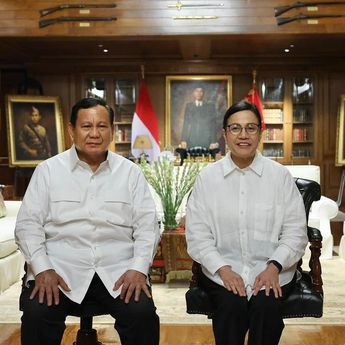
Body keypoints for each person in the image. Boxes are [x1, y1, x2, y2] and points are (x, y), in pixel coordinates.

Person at [15, 97, 160, 345]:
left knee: (142, 315)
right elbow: (28, 226)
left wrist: (138, 268)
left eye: (102, 126)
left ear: (112, 130)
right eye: (86, 126)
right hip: (60, 273)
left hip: (118, 273)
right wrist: (43, 268)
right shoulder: (48, 171)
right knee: (37, 314)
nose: (95, 133)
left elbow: (148, 226)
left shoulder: (130, 173)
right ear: (72, 130)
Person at [185, 100, 308, 345]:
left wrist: (274, 266)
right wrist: (223, 269)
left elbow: (295, 232)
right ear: (225, 134)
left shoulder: (279, 177)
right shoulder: (208, 178)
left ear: (260, 133)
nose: (243, 135)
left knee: (266, 307)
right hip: (223, 271)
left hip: (274, 272)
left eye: (251, 128)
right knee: (231, 305)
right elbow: (198, 235)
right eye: (235, 128)